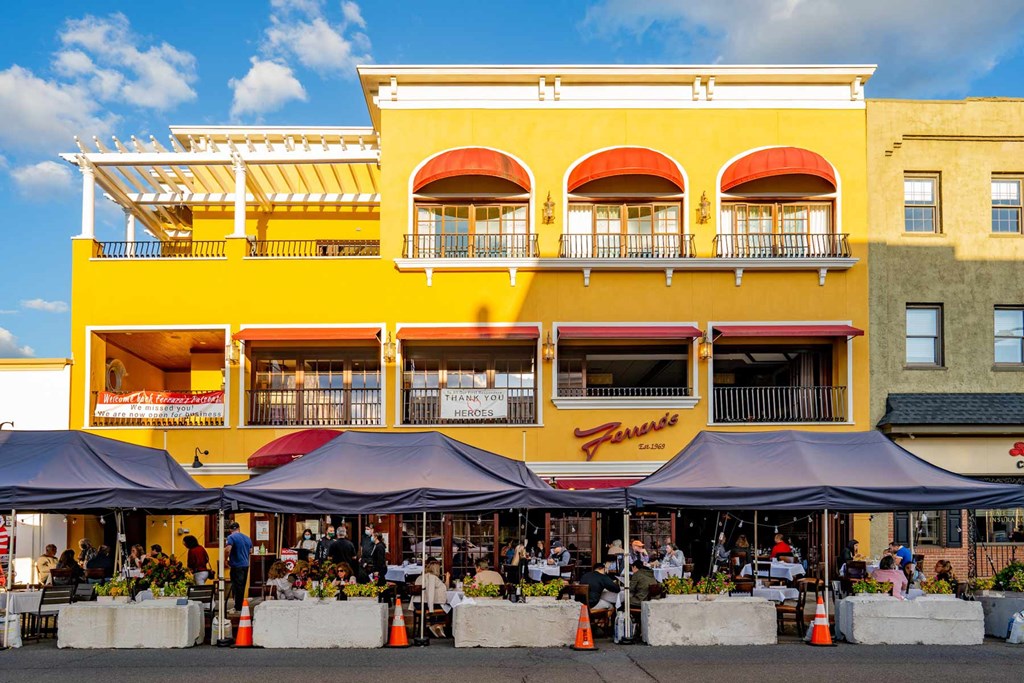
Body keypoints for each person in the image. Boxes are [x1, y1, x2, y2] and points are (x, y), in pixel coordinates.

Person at [414, 560, 450, 638]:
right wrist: (447, 578)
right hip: (427, 603)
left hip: (417, 603)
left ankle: (435, 624)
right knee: (449, 607)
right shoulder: (433, 578)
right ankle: (438, 625)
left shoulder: (420, 577)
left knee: (439, 605)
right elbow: (444, 589)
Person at [225, 521, 253, 614]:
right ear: (239, 528)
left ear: (230, 530)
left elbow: (228, 549)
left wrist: (225, 559)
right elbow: (250, 551)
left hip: (236, 565)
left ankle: (238, 607)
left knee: (237, 586)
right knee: (242, 586)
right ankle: (239, 605)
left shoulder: (231, 537)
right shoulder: (247, 538)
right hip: (245, 565)